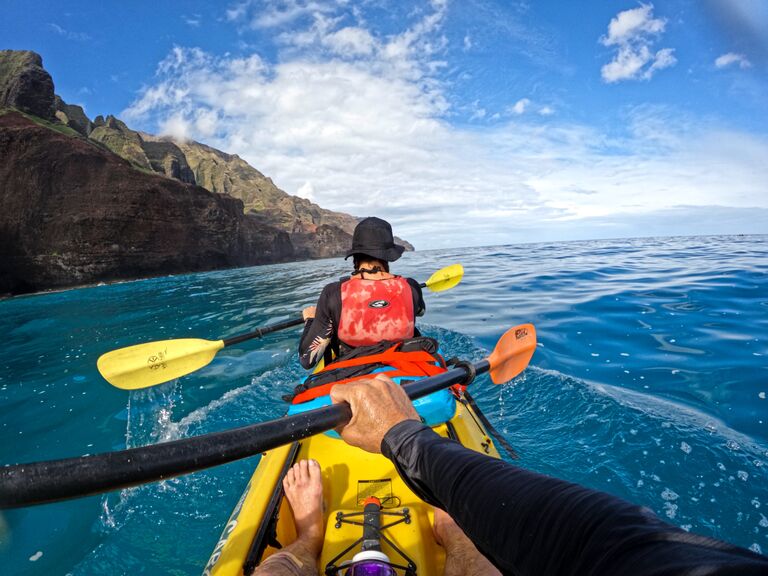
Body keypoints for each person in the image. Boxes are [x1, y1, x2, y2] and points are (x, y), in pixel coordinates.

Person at [255, 375, 768, 576]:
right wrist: (408, 437)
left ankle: (309, 539)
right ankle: (458, 535)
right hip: (423, 399)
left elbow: (314, 347)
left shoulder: (333, 293)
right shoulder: (408, 290)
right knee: (475, 558)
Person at [298, 217, 425, 370]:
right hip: (406, 369)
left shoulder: (333, 293)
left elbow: (307, 360)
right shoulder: (411, 287)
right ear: (389, 256)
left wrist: (311, 320)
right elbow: (419, 311)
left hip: (354, 373)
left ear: (355, 256)